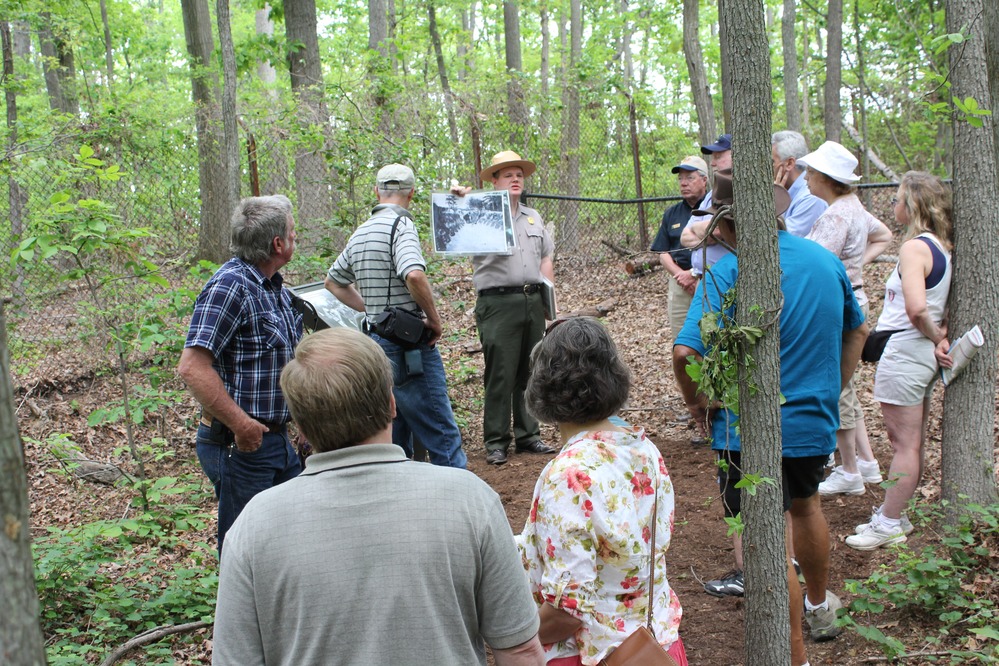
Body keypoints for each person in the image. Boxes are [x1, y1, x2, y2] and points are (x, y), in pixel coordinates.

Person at [212, 328, 546, 665]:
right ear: (391, 403)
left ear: (299, 424)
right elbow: (519, 650)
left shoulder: (253, 527)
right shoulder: (469, 499)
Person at [673, 170, 867, 665]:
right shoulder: (825, 262)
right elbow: (858, 331)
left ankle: (794, 655)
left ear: (727, 226)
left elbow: (683, 353)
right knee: (805, 508)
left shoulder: (728, 272)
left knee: (763, 539)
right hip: (810, 423)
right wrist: (832, 386)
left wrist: (698, 403)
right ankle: (820, 607)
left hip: (743, 430)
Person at [517, 317, 686, 666]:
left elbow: (568, 613)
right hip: (656, 648)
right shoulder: (644, 450)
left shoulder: (567, 475)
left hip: (592, 654)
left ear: (543, 386)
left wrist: (514, 635)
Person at [178, 195, 303, 553]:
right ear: (278, 244)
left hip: (277, 442)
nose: (296, 239)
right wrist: (241, 425)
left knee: (290, 541)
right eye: (293, 234)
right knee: (246, 552)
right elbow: (192, 367)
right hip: (241, 445)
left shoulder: (273, 288)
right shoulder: (230, 286)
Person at [325, 164, 466, 468]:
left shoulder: (361, 232)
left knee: (393, 436)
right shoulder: (400, 226)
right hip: (408, 348)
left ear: (376, 192)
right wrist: (434, 319)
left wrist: (371, 309)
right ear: (411, 194)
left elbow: (333, 281)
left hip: (376, 344)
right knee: (441, 434)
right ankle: (457, 501)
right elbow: (414, 275)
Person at [846, 172, 954, 550]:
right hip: (917, 353)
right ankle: (897, 513)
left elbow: (917, 307)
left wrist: (938, 336)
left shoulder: (915, 249)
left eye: (897, 199)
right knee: (911, 441)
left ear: (914, 206)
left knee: (903, 442)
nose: (893, 206)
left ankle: (889, 522)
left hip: (907, 350)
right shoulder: (940, 247)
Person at [797, 141, 893, 496]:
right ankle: (865, 463)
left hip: (838, 308)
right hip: (855, 298)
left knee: (837, 386)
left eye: (810, 172)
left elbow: (813, 263)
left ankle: (849, 470)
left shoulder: (836, 215)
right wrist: (854, 266)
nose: (805, 178)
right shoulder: (852, 206)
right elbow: (883, 235)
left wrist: (846, 270)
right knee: (846, 384)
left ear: (824, 177)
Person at [452, 151, 557, 465]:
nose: (515, 179)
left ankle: (529, 436)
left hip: (532, 300)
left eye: (519, 175)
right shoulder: (479, 214)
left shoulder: (532, 217)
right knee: (500, 373)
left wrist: (550, 306)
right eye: (507, 174)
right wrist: (461, 202)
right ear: (494, 181)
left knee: (530, 370)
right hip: (497, 303)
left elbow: (545, 259)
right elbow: (453, 227)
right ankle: (496, 441)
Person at [650, 155, 709, 336]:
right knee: (681, 338)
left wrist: (694, 275)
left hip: (708, 279)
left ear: (704, 180)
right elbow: (662, 252)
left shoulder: (715, 207)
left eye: (690, 178)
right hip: (679, 283)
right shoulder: (672, 213)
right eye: (680, 179)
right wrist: (681, 276)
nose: (684, 183)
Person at [680, 134, 734, 279]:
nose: (712, 163)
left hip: (725, 279)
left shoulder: (742, 192)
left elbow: (717, 230)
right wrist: (702, 231)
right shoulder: (711, 195)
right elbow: (684, 237)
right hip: (702, 277)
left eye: (718, 157)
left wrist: (695, 228)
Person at [771, 130, 829, 237]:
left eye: (771, 162)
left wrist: (775, 204)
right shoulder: (785, 191)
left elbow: (784, 242)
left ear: (789, 163)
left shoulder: (810, 198)